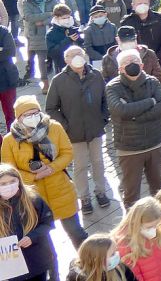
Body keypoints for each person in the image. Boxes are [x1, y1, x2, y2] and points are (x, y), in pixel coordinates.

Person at [1, 95, 88, 251]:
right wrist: (33, 176)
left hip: (60, 189)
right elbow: (9, 170)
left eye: (36, 112)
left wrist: (52, 168)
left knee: (76, 232)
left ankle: (90, 262)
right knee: (43, 241)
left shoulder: (54, 127)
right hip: (33, 197)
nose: (33, 117)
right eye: (28, 115)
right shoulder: (9, 140)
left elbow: (67, 152)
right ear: (19, 117)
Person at [44, 46, 110, 215]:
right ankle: (84, 197)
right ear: (66, 60)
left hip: (95, 129)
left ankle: (101, 192)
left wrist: (103, 119)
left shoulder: (96, 75)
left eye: (79, 54)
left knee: (98, 162)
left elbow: (105, 100)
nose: (77, 57)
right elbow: (51, 108)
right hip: (74, 133)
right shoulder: (59, 81)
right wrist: (66, 126)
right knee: (80, 166)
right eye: (72, 55)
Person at [106, 49, 161, 209]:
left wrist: (135, 116)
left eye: (134, 60)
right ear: (120, 68)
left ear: (142, 64)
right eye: (127, 62)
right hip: (130, 148)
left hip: (154, 144)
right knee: (131, 193)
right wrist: (150, 102)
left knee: (159, 190)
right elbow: (120, 110)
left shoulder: (153, 82)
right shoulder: (112, 87)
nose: (132, 64)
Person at [0, 164, 56, 281]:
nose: (8, 186)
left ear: (19, 181)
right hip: (12, 266)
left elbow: (48, 223)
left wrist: (32, 237)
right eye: (3, 184)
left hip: (37, 261)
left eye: (12, 181)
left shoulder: (33, 199)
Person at [112, 197, 161, 281]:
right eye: (149, 227)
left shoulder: (160, 230)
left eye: (156, 225)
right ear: (136, 223)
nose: (154, 230)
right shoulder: (126, 245)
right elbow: (134, 275)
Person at [21, 0, 56, 91]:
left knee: (58, 58)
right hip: (37, 35)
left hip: (53, 32)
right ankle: (45, 83)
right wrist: (48, 14)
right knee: (41, 60)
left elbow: (57, 15)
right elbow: (29, 17)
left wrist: (44, 21)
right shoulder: (27, 1)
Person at [67, 233, 139, 281]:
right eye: (112, 254)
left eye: (116, 251)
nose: (117, 254)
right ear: (96, 259)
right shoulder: (77, 278)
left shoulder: (121, 267)